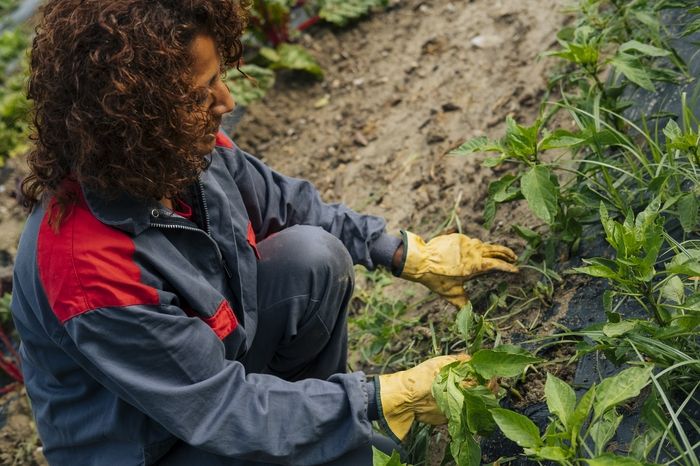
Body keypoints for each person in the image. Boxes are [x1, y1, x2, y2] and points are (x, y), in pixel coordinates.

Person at [10, 1, 518, 465]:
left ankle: (316, 435)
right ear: (131, 115)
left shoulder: (171, 149)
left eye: (218, 79)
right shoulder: (87, 267)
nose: (225, 101)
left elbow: (289, 205)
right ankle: (325, 438)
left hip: (208, 380)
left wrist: (405, 253)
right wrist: (382, 399)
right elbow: (221, 410)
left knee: (310, 257)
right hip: (156, 445)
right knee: (327, 430)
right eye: (199, 92)